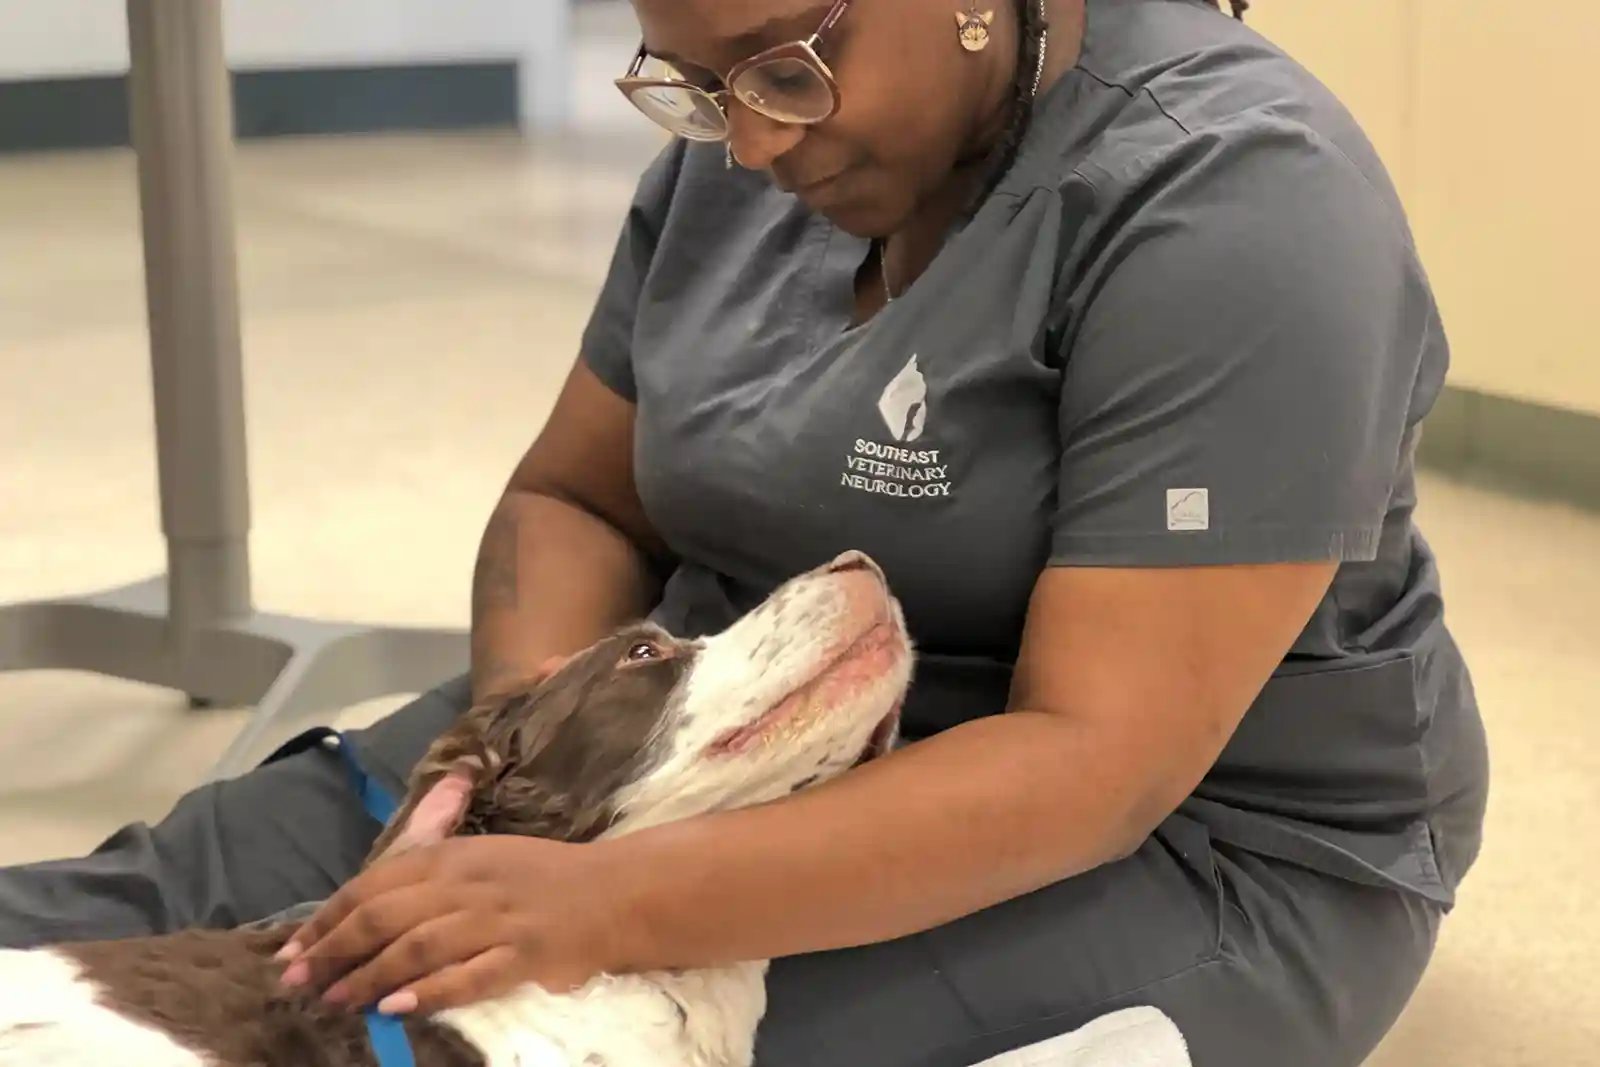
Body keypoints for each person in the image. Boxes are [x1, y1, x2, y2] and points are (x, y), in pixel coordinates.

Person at [0, 1, 1489, 1064]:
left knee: (521, 1040)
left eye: (788, 65)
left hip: (1154, 835)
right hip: (670, 736)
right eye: (696, 85)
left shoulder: (1235, 197)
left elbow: (1094, 763)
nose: (754, 145)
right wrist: (533, 751)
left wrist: (607, 905)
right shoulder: (745, 152)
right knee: (119, 922)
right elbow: (574, 499)